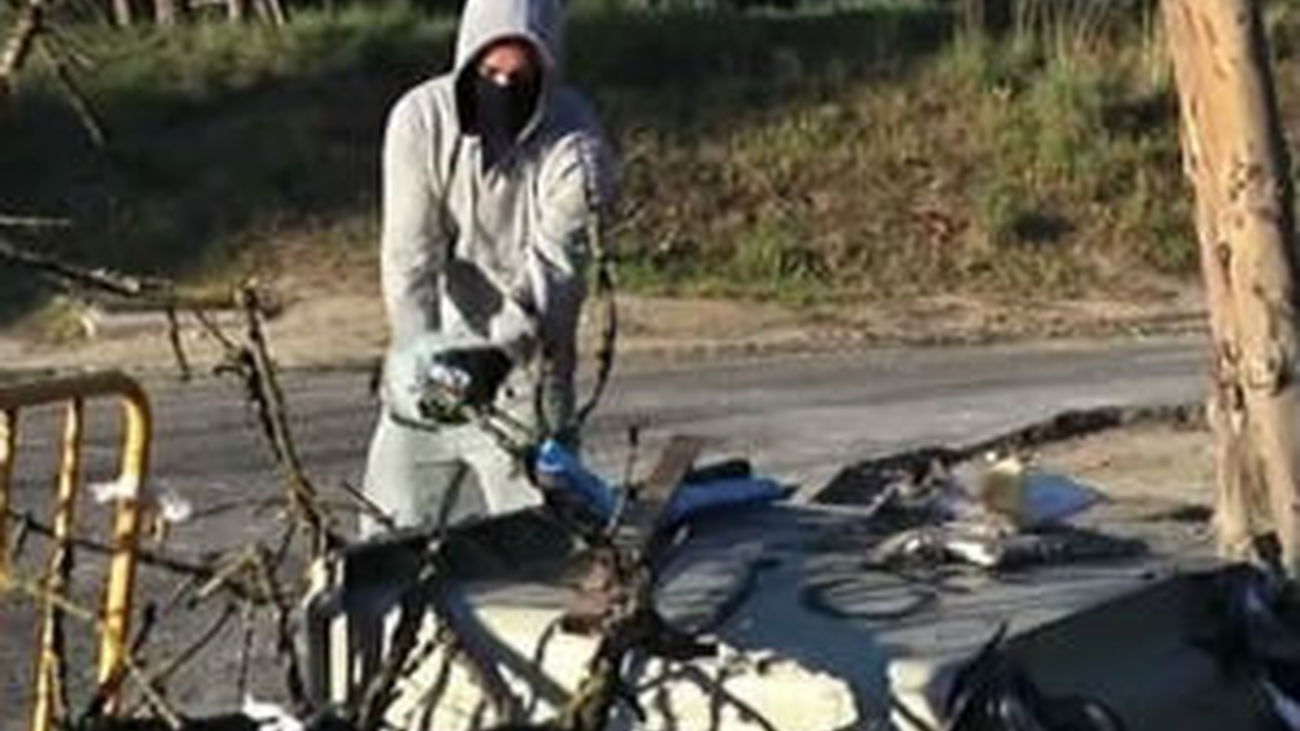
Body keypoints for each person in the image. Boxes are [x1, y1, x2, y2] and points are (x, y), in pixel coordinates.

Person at [361, 0, 615, 536]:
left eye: (519, 77)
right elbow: (410, 256)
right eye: (490, 73)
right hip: (431, 371)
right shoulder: (420, 118)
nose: (502, 88)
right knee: (385, 543)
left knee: (541, 555)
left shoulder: (578, 144)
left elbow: (557, 270)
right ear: (466, 62)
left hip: (525, 381)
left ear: (545, 75)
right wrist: (419, 352)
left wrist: (496, 355)